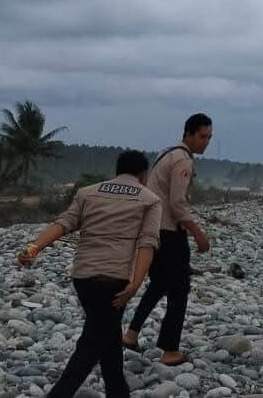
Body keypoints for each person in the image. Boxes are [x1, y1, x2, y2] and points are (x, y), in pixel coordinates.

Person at [17, 150, 161, 398]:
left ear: (117, 171)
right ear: (143, 175)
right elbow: (147, 243)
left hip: (83, 278)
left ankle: (118, 392)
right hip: (114, 281)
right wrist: (136, 284)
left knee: (108, 336)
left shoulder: (88, 192)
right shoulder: (150, 199)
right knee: (91, 344)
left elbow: (64, 223)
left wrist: (34, 247)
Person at [124, 112, 213, 365]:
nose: (206, 142)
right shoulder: (182, 160)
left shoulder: (166, 153)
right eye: (203, 137)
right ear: (189, 134)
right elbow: (177, 203)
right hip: (169, 232)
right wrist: (198, 233)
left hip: (152, 229)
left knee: (159, 284)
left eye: (209, 137)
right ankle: (170, 350)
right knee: (179, 290)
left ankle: (131, 334)